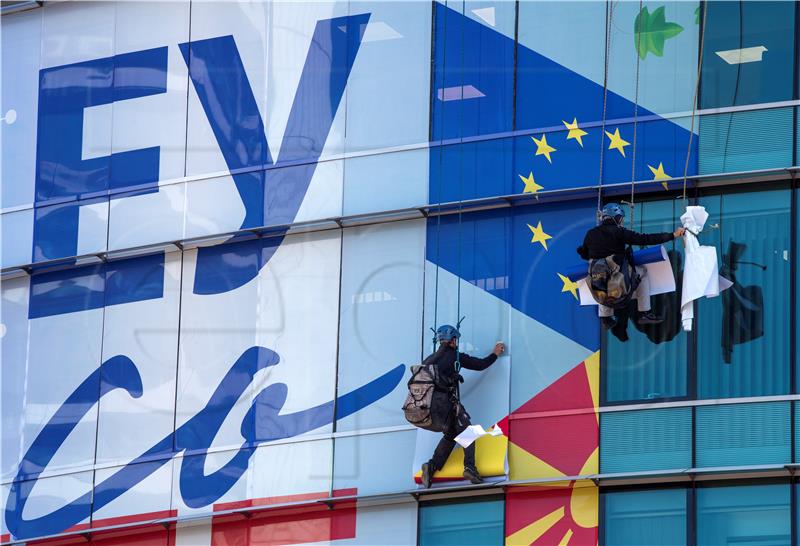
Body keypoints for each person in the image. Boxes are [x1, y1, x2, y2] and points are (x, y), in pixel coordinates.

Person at [420, 325, 505, 488]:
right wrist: (495, 354)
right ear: (452, 340)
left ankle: (431, 466)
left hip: (430, 408)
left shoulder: (430, 360)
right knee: (468, 431)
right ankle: (470, 468)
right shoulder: (454, 356)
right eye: (456, 339)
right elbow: (480, 365)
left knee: (451, 433)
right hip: (446, 405)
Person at [577, 203, 685, 329]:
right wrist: (673, 235)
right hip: (618, 278)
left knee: (602, 277)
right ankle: (645, 312)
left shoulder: (590, 234)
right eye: (621, 218)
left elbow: (584, 253)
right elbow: (645, 239)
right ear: (616, 218)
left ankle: (605, 317)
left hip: (597, 281)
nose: (622, 221)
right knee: (642, 272)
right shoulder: (619, 232)